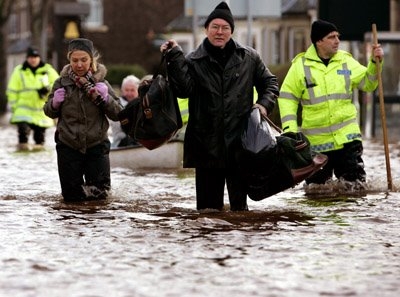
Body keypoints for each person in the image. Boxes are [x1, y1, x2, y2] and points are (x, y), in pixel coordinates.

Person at [160, 2, 279, 211]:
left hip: (241, 146)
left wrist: (263, 106)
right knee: (207, 213)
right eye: (215, 27)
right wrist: (173, 59)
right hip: (206, 147)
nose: (219, 32)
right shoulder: (193, 60)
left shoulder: (249, 57)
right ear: (206, 29)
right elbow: (183, 90)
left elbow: (270, 83)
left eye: (225, 28)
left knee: (239, 212)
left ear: (232, 31)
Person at [278, 19, 384, 187]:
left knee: (355, 189)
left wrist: (374, 63)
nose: (337, 41)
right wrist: (290, 131)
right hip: (317, 144)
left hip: (348, 139)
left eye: (337, 36)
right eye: (331, 37)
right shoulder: (300, 66)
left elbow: (369, 84)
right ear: (319, 41)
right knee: (317, 193)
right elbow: (287, 97)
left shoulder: (346, 61)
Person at [43, 38, 122, 202]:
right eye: (75, 60)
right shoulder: (61, 83)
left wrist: (106, 99)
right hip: (68, 147)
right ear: (69, 60)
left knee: (100, 198)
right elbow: (49, 112)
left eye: (84, 60)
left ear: (91, 60)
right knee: (71, 200)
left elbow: (119, 114)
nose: (79, 65)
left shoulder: (102, 83)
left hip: (97, 147)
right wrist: (54, 103)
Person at [6, 46, 59, 151]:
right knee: (23, 134)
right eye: (31, 57)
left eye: (35, 57)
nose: (33, 59)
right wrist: (14, 107)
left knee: (39, 141)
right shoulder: (19, 71)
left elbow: (58, 84)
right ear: (27, 58)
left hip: (41, 112)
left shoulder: (48, 70)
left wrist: (47, 89)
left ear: (39, 58)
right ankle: (23, 153)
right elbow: (12, 90)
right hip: (23, 111)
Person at [110, 74, 140, 148]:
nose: (129, 93)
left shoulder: (142, 104)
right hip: (121, 143)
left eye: (132, 90)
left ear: (138, 91)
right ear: (122, 91)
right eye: (126, 90)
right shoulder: (117, 105)